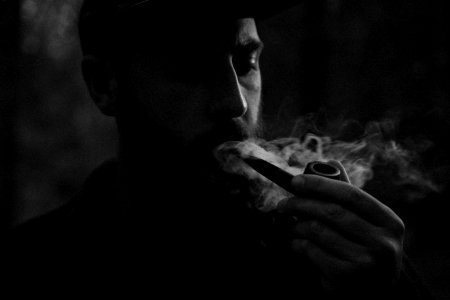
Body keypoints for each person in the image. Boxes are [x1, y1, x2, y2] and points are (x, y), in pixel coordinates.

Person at [6, 0, 434, 299]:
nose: (236, 102)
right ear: (105, 85)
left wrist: (392, 293)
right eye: (191, 66)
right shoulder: (36, 268)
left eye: (245, 61)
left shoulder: (317, 262)